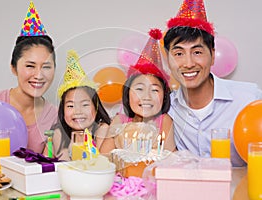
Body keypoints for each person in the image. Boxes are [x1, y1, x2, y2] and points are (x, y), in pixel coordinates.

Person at [163, 0, 262, 167]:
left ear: (213, 55)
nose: (188, 63)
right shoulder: (168, 107)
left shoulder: (250, 99)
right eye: (178, 53)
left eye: (197, 52)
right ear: (168, 60)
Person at [0, 1, 57, 165]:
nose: (39, 75)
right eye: (30, 66)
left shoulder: (55, 115)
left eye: (46, 67)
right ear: (14, 68)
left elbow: (47, 166)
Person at [100, 29, 176, 154]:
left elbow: (170, 160)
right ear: (128, 93)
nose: (146, 96)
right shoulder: (119, 121)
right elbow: (104, 157)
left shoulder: (164, 120)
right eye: (139, 89)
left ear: (164, 96)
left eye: (154, 90)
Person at [52, 50, 111, 160]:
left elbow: (100, 163)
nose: (78, 111)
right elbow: (64, 165)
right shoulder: (58, 133)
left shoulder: (102, 130)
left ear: (96, 107)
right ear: (62, 109)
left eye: (85, 105)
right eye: (70, 106)